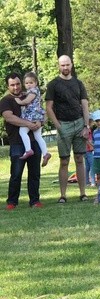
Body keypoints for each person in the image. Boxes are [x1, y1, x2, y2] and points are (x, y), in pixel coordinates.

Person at [45, 55, 90, 203]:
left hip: (79, 124)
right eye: (62, 65)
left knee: (79, 159)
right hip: (63, 124)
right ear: (59, 66)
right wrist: (58, 126)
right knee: (64, 161)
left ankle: (83, 193)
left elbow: (84, 105)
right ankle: (63, 195)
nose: (65, 67)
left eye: (67, 65)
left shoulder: (78, 83)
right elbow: (49, 108)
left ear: (72, 65)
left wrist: (86, 125)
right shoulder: (53, 84)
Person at [0, 73, 43, 209]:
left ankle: (35, 201)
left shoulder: (30, 95)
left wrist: (40, 122)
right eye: (12, 85)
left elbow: (41, 110)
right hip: (17, 142)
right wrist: (28, 124)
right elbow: (9, 117)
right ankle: (12, 202)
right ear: (8, 86)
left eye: (18, 84)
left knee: (35, 173)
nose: (16, 87)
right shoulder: (6, 100)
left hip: (34, 139)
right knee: (16, 173)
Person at [15, 72, 51, 165]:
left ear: (36, 83)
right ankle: (45, 153)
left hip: (32, 116)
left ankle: (28, 149)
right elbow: (28, 95)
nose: (28, 85)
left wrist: (19, 101)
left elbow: (27, 101)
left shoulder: (33, 91)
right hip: (38, 116)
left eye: (31, 83)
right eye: (26, 83)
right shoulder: (34, 91)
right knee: (38, 136)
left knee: (22, 131)